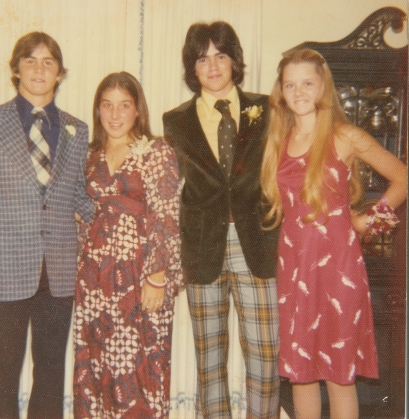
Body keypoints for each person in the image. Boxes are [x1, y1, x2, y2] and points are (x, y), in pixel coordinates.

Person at [0, 31, 94, 419]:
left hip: (60, 271)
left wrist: (125, 212)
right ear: (15, 70)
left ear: (60, 74)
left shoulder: (76, 129)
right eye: (30, 60)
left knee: (50, 372)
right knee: (4, 372)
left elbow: (81, 195)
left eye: (48, 61)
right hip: (3, 268)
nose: (39, 69)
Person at [260, 48, 407, 419]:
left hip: (339, 268)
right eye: (290, 84)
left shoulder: (345, 136)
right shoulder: (279, 139)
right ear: (281, 90)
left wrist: (367, 222)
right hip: (294, 266)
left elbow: (402, 178)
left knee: (339, 375)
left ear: (323, 86)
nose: (299, 91)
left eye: (307, 82)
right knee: (301, 375)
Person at [163, 21, 280, 419]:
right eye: (202, 58)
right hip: (202, 247)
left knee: (265, 358)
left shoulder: (267, 109)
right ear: (192, 67)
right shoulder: (174, 121)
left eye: (221, 55)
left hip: (258, 244)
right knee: (209, 363)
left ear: (234, 61)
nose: (212, 66)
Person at [73, 71, 183, 418]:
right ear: (98, 110)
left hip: (141, 276)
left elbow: (167, 215)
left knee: (141, 370)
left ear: (138, 111)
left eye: (124, 105)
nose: (115, 114)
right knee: (98, 368)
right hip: (94, 281)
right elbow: (82, 216)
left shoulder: (156, 151)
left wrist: (158, 276)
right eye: (107, 105)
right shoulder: (89, 155)